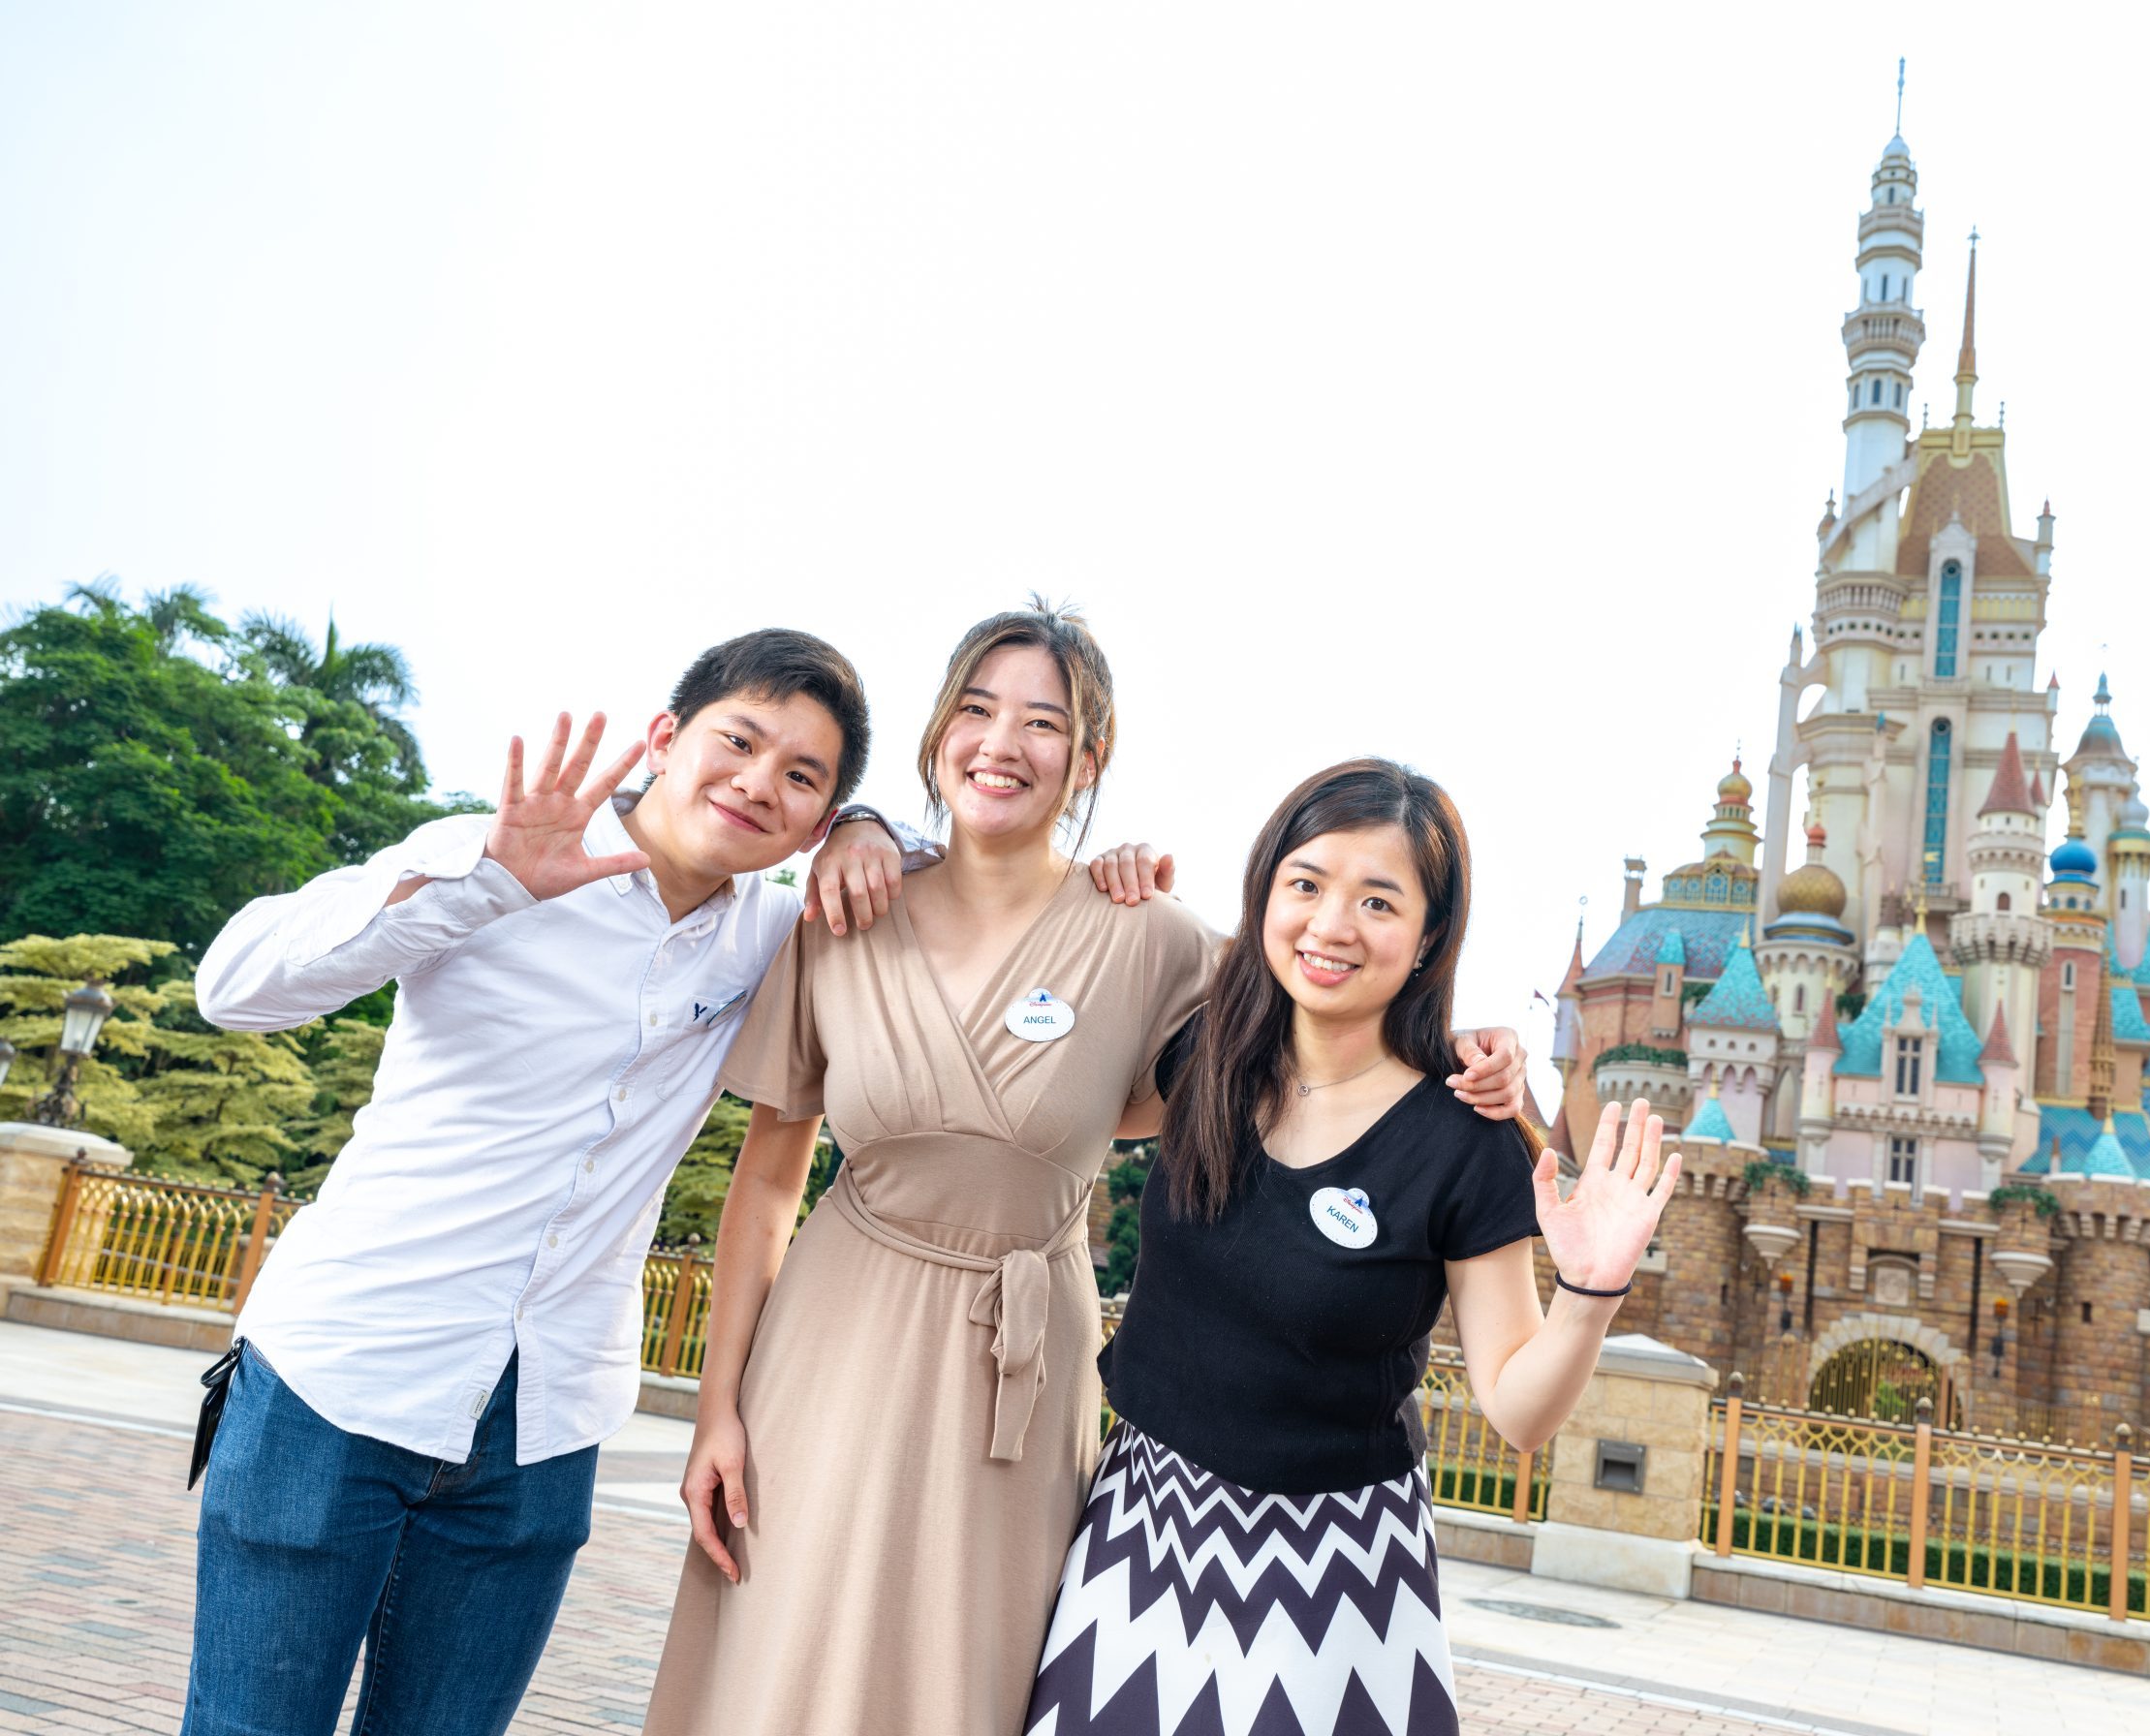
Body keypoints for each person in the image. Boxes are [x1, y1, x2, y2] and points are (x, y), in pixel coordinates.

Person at [642, 604, 1528, 1736]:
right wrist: (717, 1406)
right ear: (938, 731)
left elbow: (1324, 1011)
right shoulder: (845, 905)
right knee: (783, 1643)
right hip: (833, 1339)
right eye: (975, 709)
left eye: (1043, 722)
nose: (1001, 742)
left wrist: (1473, 1055)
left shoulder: (1149, 936)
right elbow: (768, 1184)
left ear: (1089, 758)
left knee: (972, 1669)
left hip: (1020, 1365)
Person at [178, 630, 927, 1736]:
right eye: (740, 740)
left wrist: (876, 830)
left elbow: (958, 875)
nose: (758, 782)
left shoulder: (774, 940)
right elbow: (233, 987)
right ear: (666, 738)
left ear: (814, 822)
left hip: (541, 1428)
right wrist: (480, 881)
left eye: (804, 778)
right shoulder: (491, 857)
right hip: (338, 1380)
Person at [1024, 759, 1680, 1736]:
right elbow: (1040, 1064)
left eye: (1378, 900)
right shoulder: (1205, 1055)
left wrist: (1591, 1288)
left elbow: (1519, 1408)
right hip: (1141, 1531)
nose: (1331, 925)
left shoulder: (1464, 1132)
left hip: (1332, 1574)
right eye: (1307, 883)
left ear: (1426, 938)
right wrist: (1094, 871)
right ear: (1266, 893)